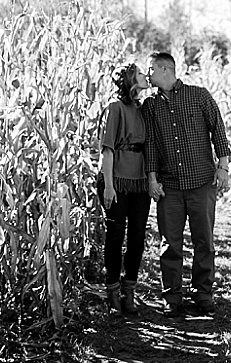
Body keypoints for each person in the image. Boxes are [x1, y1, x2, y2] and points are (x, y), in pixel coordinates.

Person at [143, 51, 231, 317]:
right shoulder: (150, 106)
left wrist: (224, 166)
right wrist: (151, 178)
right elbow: (150, 144)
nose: (147, 75)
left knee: (204, 241)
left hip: (201, 182)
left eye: (150, 70)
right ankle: (172, 297)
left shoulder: (199, 96)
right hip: (169, 186)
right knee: (170, 244)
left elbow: (218, 130)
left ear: (164, 69)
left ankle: (203, 295)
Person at [97, 63, 152, 315]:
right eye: (141, 73)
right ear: (130, 80)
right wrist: (108, 186)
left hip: (139, 180)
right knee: (115, 236)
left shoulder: (143, 109)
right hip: (116, 180)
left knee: (138, 237)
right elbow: (107, 150)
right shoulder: (115, 108)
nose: (145, 76)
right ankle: (112, 291)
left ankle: (129, 290)